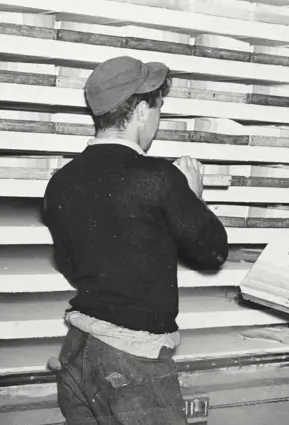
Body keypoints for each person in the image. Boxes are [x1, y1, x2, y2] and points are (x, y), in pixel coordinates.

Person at [43, 56, 229, 425]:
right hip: (134, 366)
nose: (157, 119)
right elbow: (212, 252)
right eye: (159, 108)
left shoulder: (60, 181)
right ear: (142, 110)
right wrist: (193, 197)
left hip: (78, 355)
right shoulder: (158, 177)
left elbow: (67, 261)